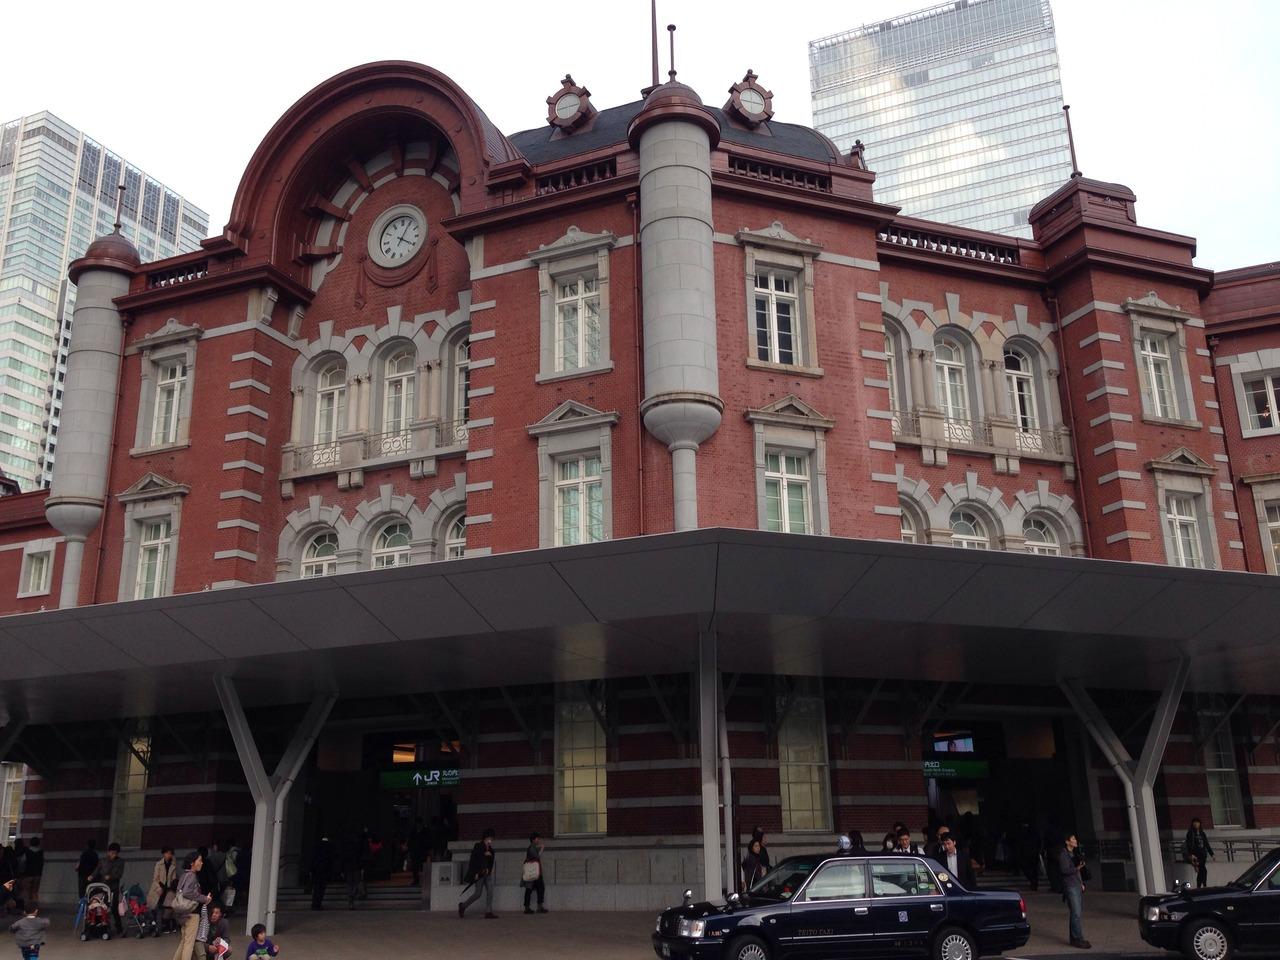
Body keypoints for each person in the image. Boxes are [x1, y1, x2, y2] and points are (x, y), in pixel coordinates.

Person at [172, 851, 212, 960]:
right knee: (189, 944)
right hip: (192, 914)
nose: (201, 863)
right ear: (192, 863)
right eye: (199, 860)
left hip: (183, 913)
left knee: (184, 941)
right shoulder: (192, 876)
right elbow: (187, 892)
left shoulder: (184, 875)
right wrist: (204, 898)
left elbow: (181, 892)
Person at [1059, 834, 1091, 950]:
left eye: (1075, 839)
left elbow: (1078, 872)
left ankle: (1075, 937)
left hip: (1077, 884)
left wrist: (1081, 883)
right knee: (1076, 913)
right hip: (1070, 886)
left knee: (1076, 913)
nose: (1075, 841)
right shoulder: (1064, 855)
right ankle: (1077, 938)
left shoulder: (1075, 853)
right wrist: (1077, 868)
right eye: (1073, 839)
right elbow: (1064, 871)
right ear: (1067, 842)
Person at [458, 828, 497, 919]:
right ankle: (463, 906)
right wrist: (475, 873)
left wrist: (489, 867)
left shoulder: (491, 850)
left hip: (487, 874)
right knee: (478, 894)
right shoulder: (478, 846)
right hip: (479, 874)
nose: (491, 840)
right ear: (486, 837)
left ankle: (488, 912)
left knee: (490, 891)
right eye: (490, 838)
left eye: (492, 839)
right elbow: (474, 860)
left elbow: (491, 862)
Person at [92, 842, 125, 936]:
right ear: (108, 852)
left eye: (115, 853)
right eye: (112, 853)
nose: (113, 855)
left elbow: (119, 874)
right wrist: (91, 876)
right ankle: (103, 926)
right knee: (102, 907)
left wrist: (110, 877)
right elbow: (97, 870)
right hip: (103, 887)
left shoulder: (120, 861)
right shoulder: (103, 861)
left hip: (114, 888)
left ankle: (119, 928)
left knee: (114, 908)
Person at [150, 846, 178, 935]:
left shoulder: (173, 865)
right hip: (160, 887)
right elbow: (155, 878)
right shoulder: (159, 864)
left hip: (169, 888)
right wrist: (159, 888)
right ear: (163, 853)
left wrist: (173, 886)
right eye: (167, 853)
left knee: (170, 907)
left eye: (170, 853)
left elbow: (174, 878)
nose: (168, 855)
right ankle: (159, 926)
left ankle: (169, 925)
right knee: (159, 907)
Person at [1184, 817, 1214, 889]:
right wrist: (1191, 854)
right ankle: (1203, 885)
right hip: (1196, 855)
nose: (1196, 824)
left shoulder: (1202, 833)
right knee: (1203, 871)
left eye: (1197, 822)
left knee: (1201, 871)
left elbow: (1206, 844)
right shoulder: (1190, 833)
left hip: (1203, 855)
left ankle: (1200, 887)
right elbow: (1188, 845)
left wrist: (1212, 854)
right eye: (1194, 822)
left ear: (1200, 824)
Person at [522, 832, 547, 914]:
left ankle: (535, 906)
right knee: (530, 889)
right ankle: (529, 907)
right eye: (537, 838)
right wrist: (542, 849)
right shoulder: (531, 848)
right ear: (533, 839)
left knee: (539, 888)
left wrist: (539, 848)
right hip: (533, 873)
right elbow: (537, 856)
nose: (538, 840)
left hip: (534, 872)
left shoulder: (533, 847)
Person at [339, 834, 363, 910]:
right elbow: (359, 859)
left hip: (348, 869)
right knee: (356, 884)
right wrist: (361, 868)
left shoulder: (345, 849)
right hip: (356, 868)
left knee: (350, 885)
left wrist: (342, 870)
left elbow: (342, 860)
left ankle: (350, 902)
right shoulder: (356, 848)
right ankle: (352, 897)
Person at [309, 836, 333, 911]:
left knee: (317, 889)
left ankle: (315, 904)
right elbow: (329, 862)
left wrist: (311, 870)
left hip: (317, 872)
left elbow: (312, 861)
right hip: (322, 872)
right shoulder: (327, 851)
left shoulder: (316, 850)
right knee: (320, 890)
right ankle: (317, 904)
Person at [19, 841, 41, 908]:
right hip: (37, 874)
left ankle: (27, 905)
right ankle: (34, 906)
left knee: (27, 891)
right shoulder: (41, 852)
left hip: (28, 874)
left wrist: (21, 871)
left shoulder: (27, 852)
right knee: (35, 891)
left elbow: (22, 862)